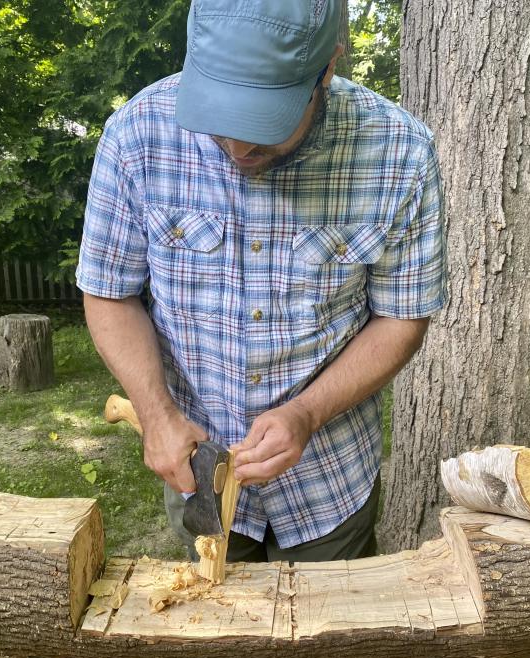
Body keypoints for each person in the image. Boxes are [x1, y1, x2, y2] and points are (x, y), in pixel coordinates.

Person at [76, 0, 447, 563]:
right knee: (217, 637)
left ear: (326, 69)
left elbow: (402, 317)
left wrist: (306, 413)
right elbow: (109, 292)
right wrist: (155, 414)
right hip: (195, 470)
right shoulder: (137, 135)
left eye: (264, 126)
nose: (240, 150)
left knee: (329, 643)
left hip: (331, 478)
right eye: (222, 125)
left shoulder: (399, 153)